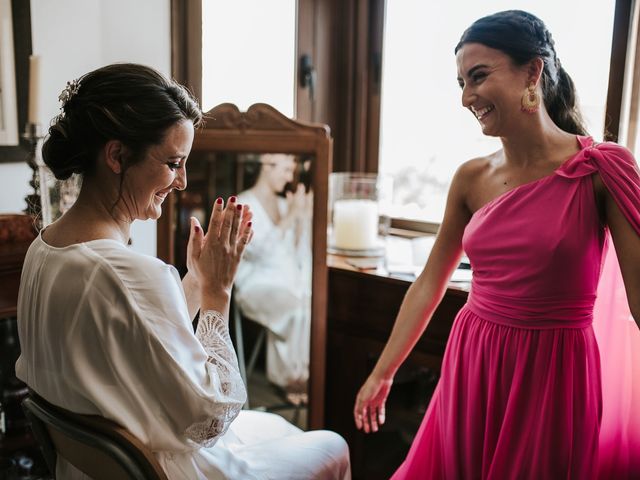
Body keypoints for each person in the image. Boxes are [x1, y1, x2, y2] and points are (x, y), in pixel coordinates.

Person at [15, 63, 350, 480]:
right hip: (168, 467)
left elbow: (136, 334)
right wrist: (217, 293)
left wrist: (194, 279)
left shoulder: (44, 250)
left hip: (88, 467)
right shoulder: (127, 273)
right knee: (334, 446)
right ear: (117, 155)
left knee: (279, 426)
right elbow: (209, 419)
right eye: (174, 163)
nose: (183, 182)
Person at [353, 10, 640, 479]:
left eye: (479, 76)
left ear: (533, 71)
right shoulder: (471, 177)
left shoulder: (603, 170)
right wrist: (383, 373)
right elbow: (429, 282)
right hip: (473, 360)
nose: (467, 97)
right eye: (461, 83)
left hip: (553, 376)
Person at [235, 154, 312, 405]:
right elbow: (259, 253)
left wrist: (302, 219)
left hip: (286, 280)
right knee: (294, 307)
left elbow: (296, 253)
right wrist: (290, 217)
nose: (290, 177)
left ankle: (303, 375)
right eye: (287, 170)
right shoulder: (244, 204)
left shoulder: (284, 204)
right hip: (254, 284)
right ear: (267, 165)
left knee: (308, 303)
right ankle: (290, 379)